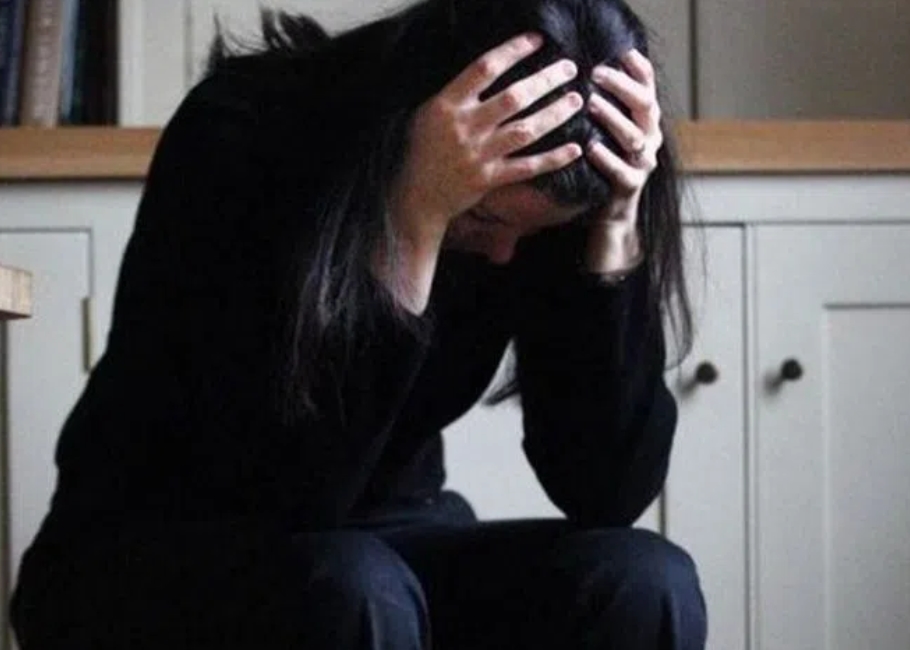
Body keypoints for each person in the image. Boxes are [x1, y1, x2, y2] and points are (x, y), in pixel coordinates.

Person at [11, 0, 706, 648]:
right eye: (482, 220)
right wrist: (413, 221)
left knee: (644, 580)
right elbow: (286, 494)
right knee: (354, 590)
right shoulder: (243, 129)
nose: (503, 255)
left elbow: (606, 493)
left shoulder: (543, 200)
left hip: (387, 549)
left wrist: (615, 229)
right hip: (163, 541)